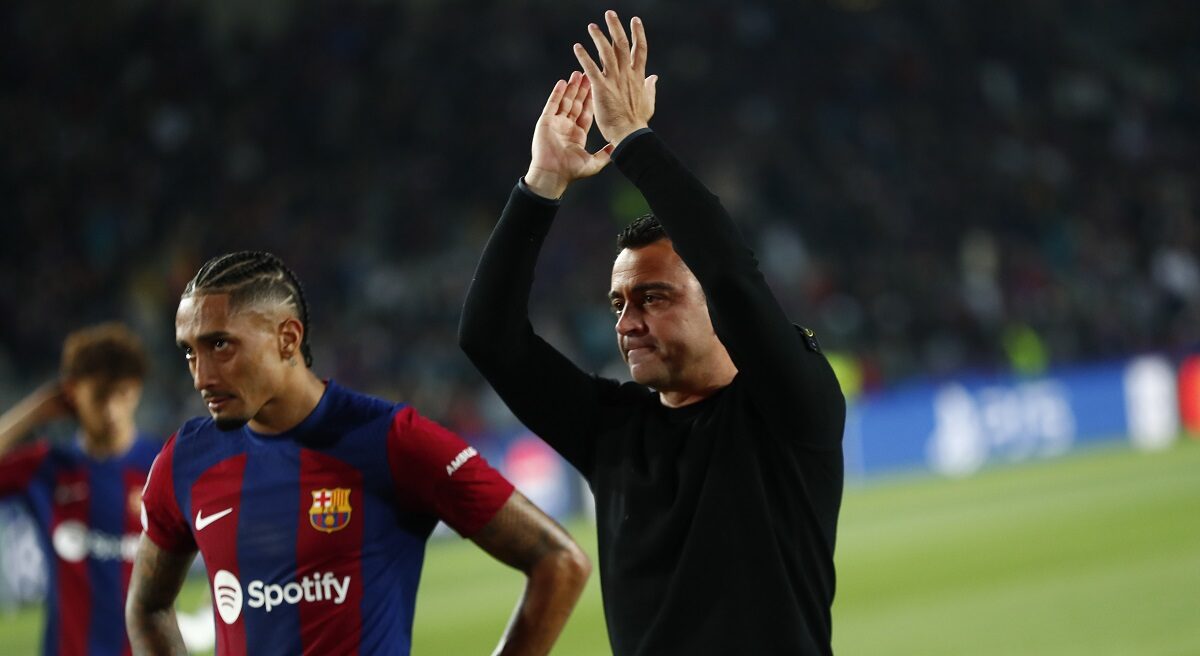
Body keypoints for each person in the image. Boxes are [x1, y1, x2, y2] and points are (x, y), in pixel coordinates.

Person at [459, 11, 846, 655]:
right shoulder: (612, 430)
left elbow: (730, 272)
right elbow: (488, 336)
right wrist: (542, 184)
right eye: (618, 303)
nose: (627, 321)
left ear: (714, 308)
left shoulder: (788, 413)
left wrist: (633, 140)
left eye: (654, 296)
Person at [126, 251, 591, 656]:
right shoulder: (186, 460)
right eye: (189, 352)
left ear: (288, 338)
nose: (201, 376)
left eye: (220, 345)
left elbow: (560, 560)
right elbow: (147, 607)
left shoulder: (392, 440)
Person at [0, 323, 163, 656]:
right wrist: (35, 411)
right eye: (100, 395)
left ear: (138, 390)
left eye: (124, 393)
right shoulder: (47, 467)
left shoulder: (162, 465)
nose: (112, 410)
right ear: (73, 393)